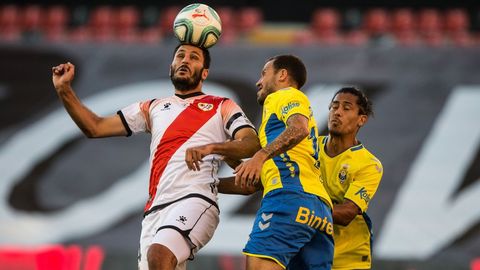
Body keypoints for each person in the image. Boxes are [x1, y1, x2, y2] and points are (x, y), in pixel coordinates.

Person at [51, 44, 260, 270]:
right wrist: (65, 90)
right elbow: (95, 127)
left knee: (159, 254)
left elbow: (250, 143)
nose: (185, 60)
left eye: (194, 57)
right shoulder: (152, 108)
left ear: (205, 72)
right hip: (155, 212)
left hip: (196, 199)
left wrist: (212, 148)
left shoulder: (222, 105)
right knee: (158, 259)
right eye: (180, 56)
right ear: (171, 66)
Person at [219, 54, 335, 270]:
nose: (258, 81)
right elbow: (256, 183)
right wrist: (211, 183)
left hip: (289, 198)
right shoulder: (276, 137)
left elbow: (298, 128)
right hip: (319, 212)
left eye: (264, 73)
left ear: (282, 75)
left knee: (259, 265)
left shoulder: (285, 95)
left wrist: (259, 156)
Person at [318, 86, 383, 270]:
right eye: (334, 106)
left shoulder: (369, 164)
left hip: (348, 256)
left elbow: (347, 213)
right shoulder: (309, 147)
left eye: (346, 108)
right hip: (309, 248)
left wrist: (303, 210)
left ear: (361, 119)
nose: (337, 112)